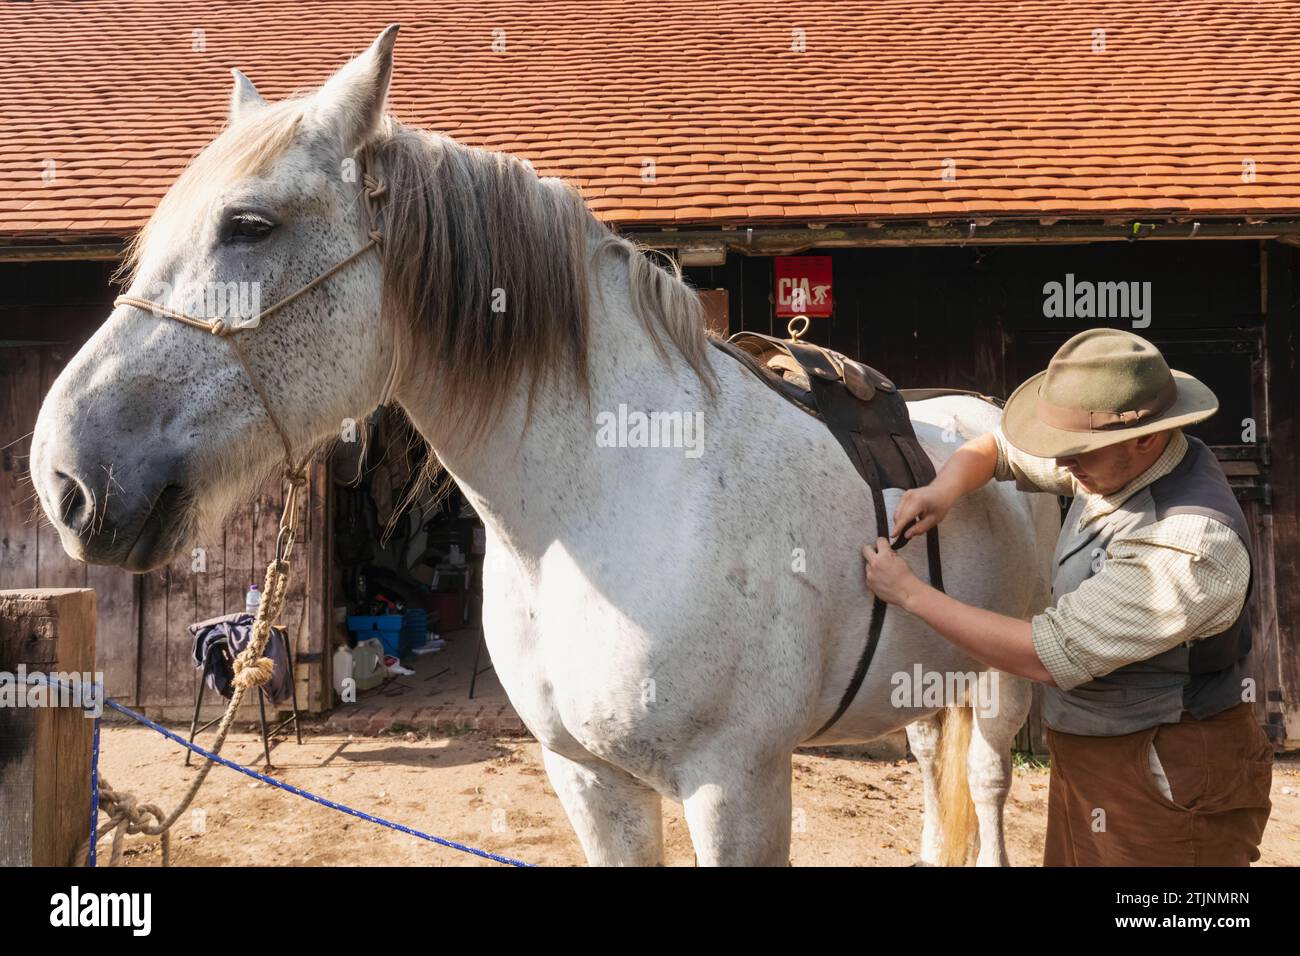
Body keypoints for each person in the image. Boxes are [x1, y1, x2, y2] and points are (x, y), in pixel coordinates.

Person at [862, 328, 1272, 866]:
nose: (1065, 464)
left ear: (1146, 437)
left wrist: (911, 594)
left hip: (1165, 776)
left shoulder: (1189, 544)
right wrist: (944, 489)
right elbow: (998, 448)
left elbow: (1047, 653)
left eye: (1076, 452)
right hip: (1094, 759)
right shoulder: (1120, 460)